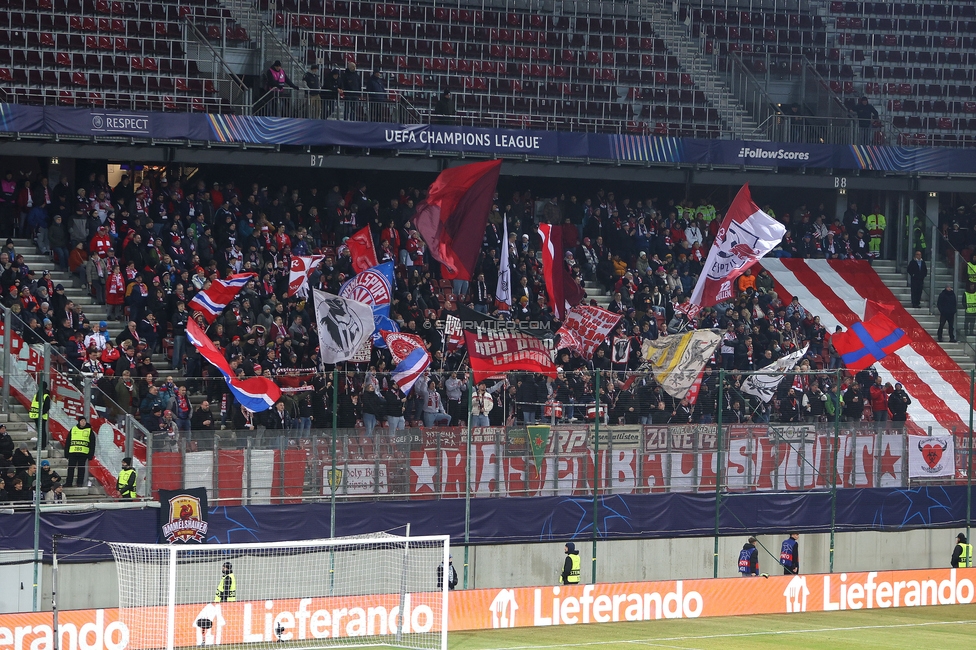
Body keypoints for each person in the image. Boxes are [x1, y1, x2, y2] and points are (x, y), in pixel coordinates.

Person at [66, 416, 94, 487]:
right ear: (79, 422)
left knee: (81, 469)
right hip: (73, 452)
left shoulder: (89, 430)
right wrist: (66, 453)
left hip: (83, 453)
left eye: (84, 421)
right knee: (70, 468)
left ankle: (79, 483)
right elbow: (68, 442)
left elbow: (92, 443)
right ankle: (69, 483)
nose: (83, 422)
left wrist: (91, 454)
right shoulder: (73, 429)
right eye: (81, 421)